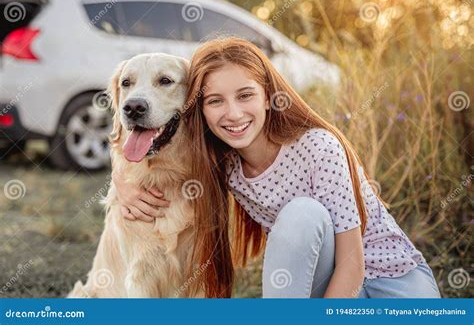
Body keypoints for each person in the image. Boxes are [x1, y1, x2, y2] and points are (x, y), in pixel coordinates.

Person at [112, 37, 441, 298]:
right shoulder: (221, 159)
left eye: (245, 95)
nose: (233, 114)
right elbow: (156, 160)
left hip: (393, 283)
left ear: (268, 96)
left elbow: (353, 266)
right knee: (303, 214)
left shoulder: (318, 148)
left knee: (303, 211)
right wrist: (121, 185)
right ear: (198, 109)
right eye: (215, 101)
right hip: (325, 281)